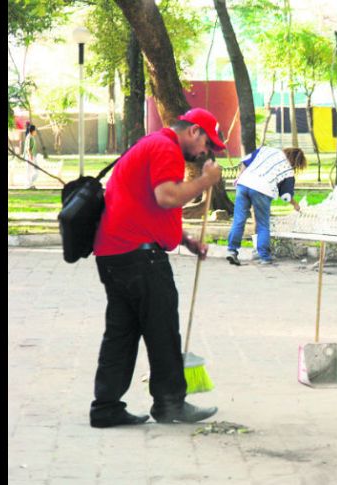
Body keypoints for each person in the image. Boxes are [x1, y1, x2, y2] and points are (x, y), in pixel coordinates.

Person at [89, 107, 225, 428]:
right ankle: (170, 403)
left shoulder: (149, 144)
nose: (207, 151)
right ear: (193, 131)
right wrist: (206, 181)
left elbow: (145, 206)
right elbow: (166, 197)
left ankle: (105, 407)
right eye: (208, 143)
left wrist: (185, 239)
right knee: (162, 329)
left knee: (121, 333)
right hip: (139, 257)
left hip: (114, 253)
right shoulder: (166, 148)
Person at [226, 146, 307, 266]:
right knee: (263, 224)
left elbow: (245, 161)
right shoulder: (288, 170)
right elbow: (285, 195)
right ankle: (264, 257)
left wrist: (240, 177)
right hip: (263, 190)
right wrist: (296, 205)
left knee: (238, 220)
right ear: (296, 162)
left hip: (243, 184)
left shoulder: (266, 150)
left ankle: (232, 250)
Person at [23, 124, 39, 189]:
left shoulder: (31, 137)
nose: (36, 131)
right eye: (35, 130)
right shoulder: (28, 137)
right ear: (32, 131)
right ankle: (28, 185)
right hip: (29, 157)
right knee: (29, 171)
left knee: (34, 171)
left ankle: (30, 184)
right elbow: (28, 148)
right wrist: (30, 156)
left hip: (32, 156)